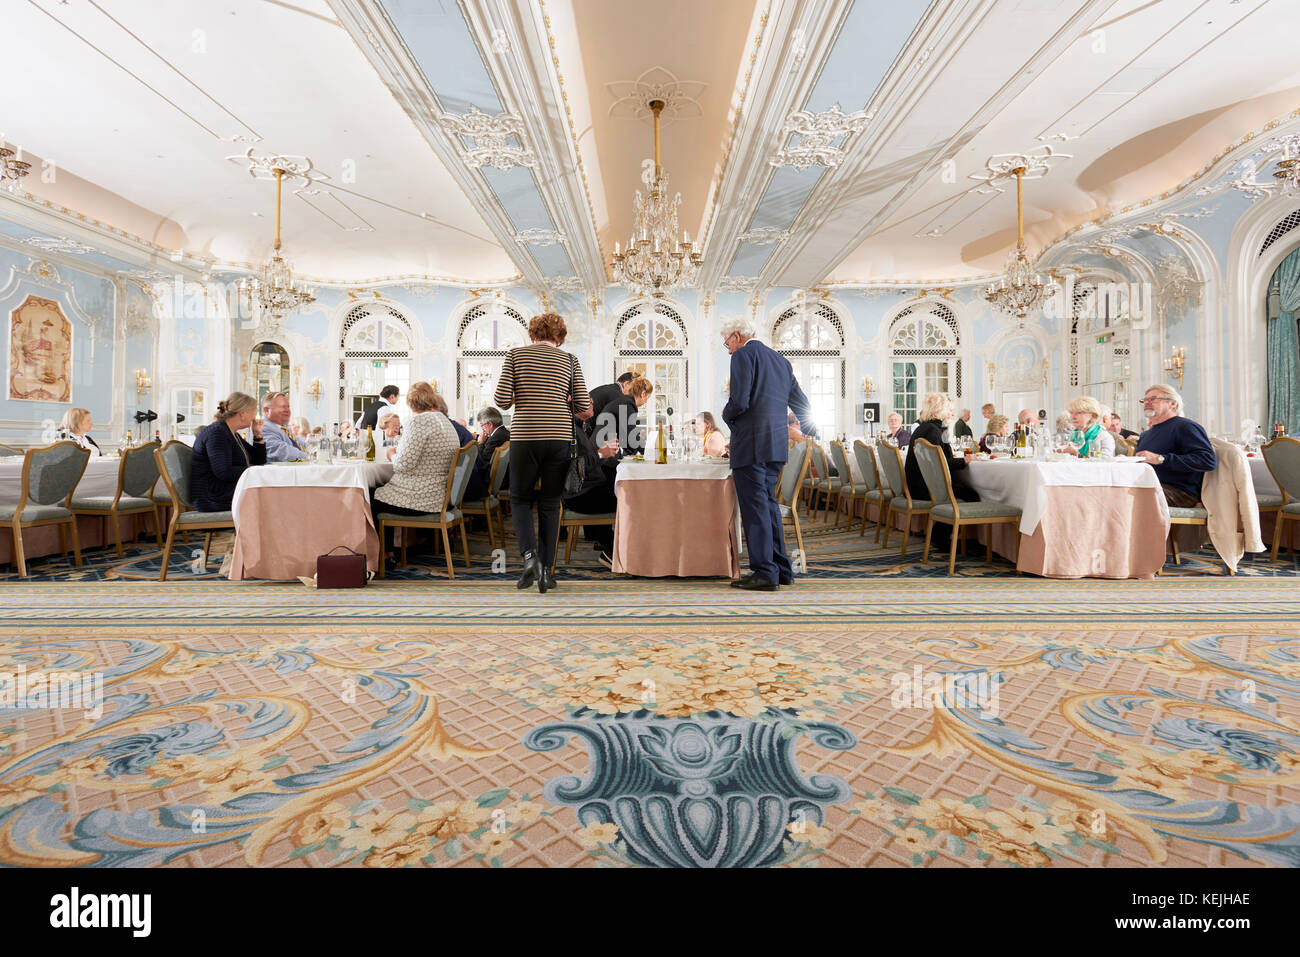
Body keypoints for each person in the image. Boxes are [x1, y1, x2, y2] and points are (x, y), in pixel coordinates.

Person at [494, 312, 592, 593]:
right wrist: (561, 398)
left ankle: (528, 557)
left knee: (520, 498)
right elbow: (583, 406)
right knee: (550, 503)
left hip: (525, 436)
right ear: (559, 337)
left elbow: (501, 401)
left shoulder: (515, 356)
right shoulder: (570, 360)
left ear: (532, 333)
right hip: (560, 437)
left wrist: (522, 393)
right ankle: (547, 573)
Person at [720, 315, 814, 591]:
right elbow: (802, 402)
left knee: (755, 508)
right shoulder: (781, 362)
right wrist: (810, 430)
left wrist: (727, 417)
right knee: (769, 505)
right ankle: (781, 569)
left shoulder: (742, 357)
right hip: (775, 446)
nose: (727, 349)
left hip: (750, 444)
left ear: (737, 336)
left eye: (727, 343)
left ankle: (764, 573)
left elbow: (739, 401)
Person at [370, 382, 460, 550]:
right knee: (381, 490)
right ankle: (395, 549)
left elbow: (402, 465)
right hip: (440, 495)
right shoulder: (445, 421)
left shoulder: (418, 422)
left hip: (421, 497)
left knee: (368, 497)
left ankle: (385, 555)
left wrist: (391, 454)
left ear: (410, 403)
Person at [906, 393, 978, 549]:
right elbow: (938, 464)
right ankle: (948, 539)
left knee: (962, 490)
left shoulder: (924, 428)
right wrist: (964, 460)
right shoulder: (933, 431)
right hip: (924, 489)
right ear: (939, 410)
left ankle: (941, 536)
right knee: (972, 495)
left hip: (917, 486)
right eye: (950, 410)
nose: (952, 414)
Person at [1134, 383, 1217, 508]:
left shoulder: (1185, 426)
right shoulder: (1146, 435)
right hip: (1149, 485)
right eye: (1145, 400)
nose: (1147, 402)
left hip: (1179, 492)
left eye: (1153, 399)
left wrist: (1161, 459)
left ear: (1173, 403)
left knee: (1127, 497)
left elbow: (1207, 460)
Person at [561, 417, 622, 567]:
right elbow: (573, 468)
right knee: (628, 500)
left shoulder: (578, 427)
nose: (592, 402)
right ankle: (614, 550)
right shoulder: (569, 429)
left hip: (585, 490)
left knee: (620, 491)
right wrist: (600, 454)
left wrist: (603, 454)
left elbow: (586, 462)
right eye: (588, 399)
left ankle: (613, 547)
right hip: (578, 496)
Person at [190, 392, 266, 512]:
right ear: (242, 414)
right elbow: (223, 471)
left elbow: (258, 460)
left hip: (224, 491)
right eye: (254, 411)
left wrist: (258, 435)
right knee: (268, 495)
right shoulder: (217, 433)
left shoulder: (231, 433)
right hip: (212, 497)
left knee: (269, 493)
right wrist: (253, 471)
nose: (255, 417)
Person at [592, 374, 652, 457]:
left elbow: (627, 435)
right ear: (643, 394)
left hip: (601, 447)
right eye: (647, 398)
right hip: (603, 452)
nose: (646, 402)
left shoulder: (623, 401)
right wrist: (649, 452)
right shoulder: (627, 404)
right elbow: (631, 440)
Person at [260, 391, 309, 462]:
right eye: (283, 407)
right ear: (267, 410)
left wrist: (316, 443)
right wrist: (311, 457)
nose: (287, 410)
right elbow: (282, 451)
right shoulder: (263, 427)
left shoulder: (282, 428)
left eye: (288, 407)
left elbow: (299, 441)